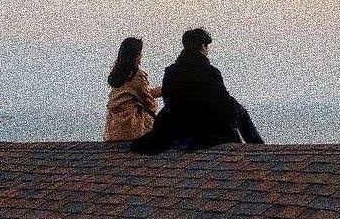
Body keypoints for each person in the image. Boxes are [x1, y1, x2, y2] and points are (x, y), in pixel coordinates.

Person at [130, 28, 263, 153]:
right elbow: (223, 103)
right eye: (207, 47)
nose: (207, 51)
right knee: (238, 110)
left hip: (176, 127)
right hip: (203, 130)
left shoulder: (171, 71)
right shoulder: (210, 72)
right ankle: (259, 148)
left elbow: (168, 100)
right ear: (203, 46)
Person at [103, 37, 162, 142]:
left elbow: (137, 94)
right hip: (132, 127)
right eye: (140, 53)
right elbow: (147, 100)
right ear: (135, 56)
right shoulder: (138, 76)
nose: (141, 56)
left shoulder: (118, 76)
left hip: (114, 128)